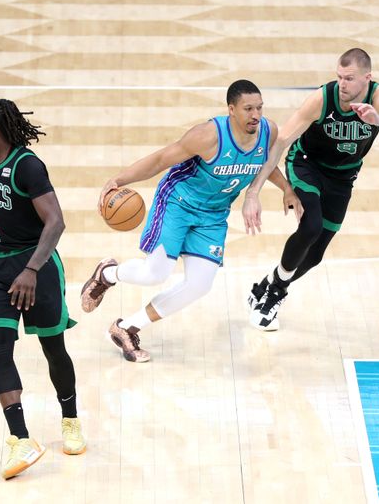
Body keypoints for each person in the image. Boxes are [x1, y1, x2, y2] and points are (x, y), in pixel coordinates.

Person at [80, 80, 302, 362]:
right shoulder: (207, 136)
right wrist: (118, 180)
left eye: (259, 107)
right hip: (178, 202)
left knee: (199, 285)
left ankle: (126, 328)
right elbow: (161, 159)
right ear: (231, 109)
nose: (255, 115)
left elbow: (265, 163)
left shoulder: (267, 131)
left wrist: (286, 189)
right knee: (155, 273)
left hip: (213, 215)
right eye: (248, 109)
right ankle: (107, 274)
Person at [0, 99, 85, 480]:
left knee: (53, 349)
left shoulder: (26, 166)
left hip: (35, 267)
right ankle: (20, 437)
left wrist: (30, 270)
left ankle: (71, 419)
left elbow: (56, 222)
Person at [242, 48, 379, 331]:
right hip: (307, 164)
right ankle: (276, 294)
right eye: (339, 77)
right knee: (311, 226)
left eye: (349, 78)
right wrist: (253, 191)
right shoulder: (323, 99)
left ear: (367, 78)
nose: (342, 84)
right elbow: (281, 140)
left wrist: (378, 120)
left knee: (316, 254)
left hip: (342, 177)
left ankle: (268, 285)